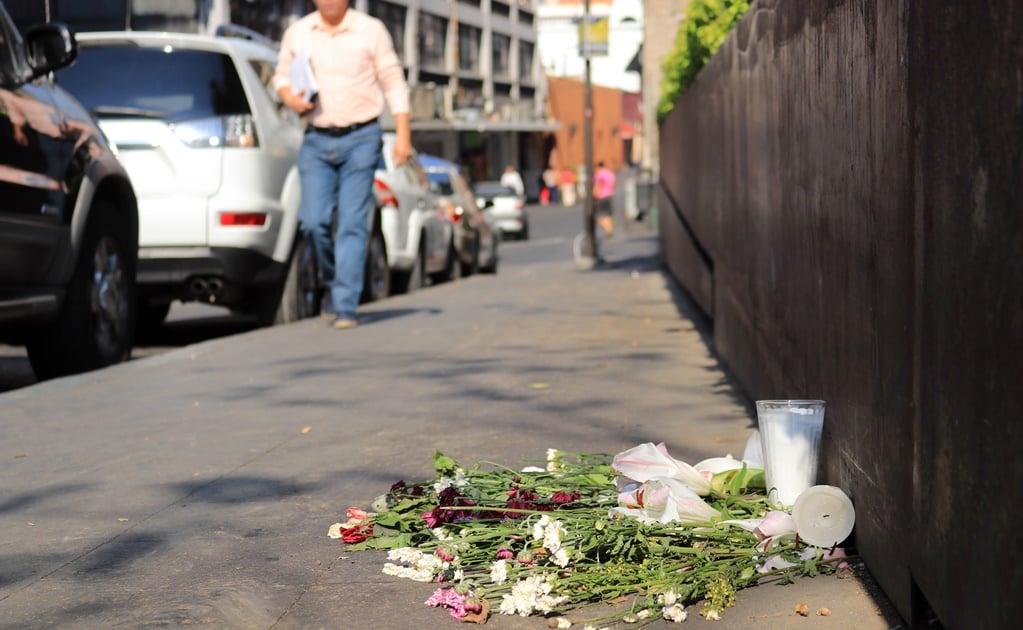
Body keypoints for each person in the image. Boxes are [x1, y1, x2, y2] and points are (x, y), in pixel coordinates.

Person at [274, 0, 411, 330]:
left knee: (352, 222)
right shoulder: (298, 32)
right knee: (312, 221)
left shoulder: (371, 30)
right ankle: (334, 282)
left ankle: (346, 303)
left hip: (361, 138)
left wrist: (404, 135)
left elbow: (393, 81)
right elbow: (281, 77)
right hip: (316, 140)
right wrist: (291, 98)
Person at [593, 161, 617, 237]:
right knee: (608, 215)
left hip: (601, 196)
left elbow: (597, 186)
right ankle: (609, 231)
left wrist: (593, 195)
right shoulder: (610, 174)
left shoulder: (599, 175)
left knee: (598, 216)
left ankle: (608, 230)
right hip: (609, 195)